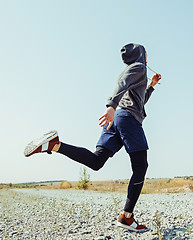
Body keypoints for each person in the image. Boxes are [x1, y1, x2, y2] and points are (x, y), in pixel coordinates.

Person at [24, 43, 161, 232]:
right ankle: (127, 217)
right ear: (140, 54)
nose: (148, 57)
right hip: (127, 119)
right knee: (140, 166)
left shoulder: (134, 71)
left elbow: (138, 101)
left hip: (118, 119)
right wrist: (110, 105)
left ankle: (54, 145)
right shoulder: (139, 68)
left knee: (96, 161)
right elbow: (122, 86)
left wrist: (151, 86)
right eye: (146, 53)